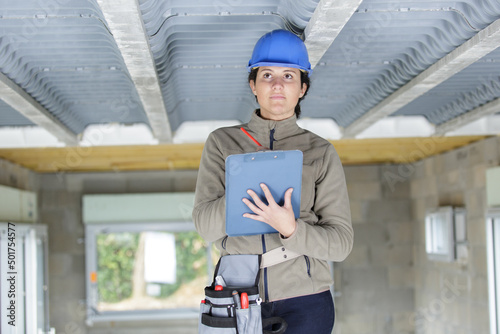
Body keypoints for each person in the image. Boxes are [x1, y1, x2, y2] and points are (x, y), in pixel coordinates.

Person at [193, 29, 353, 334]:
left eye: (289, 76)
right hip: (236, 297)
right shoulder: (221, 143)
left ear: (303, 88)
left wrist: (291, 228)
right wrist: (242, 194)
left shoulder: (320, 151)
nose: (277, 84)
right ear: (253, 85)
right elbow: (204, 226)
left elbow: (341, 244)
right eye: (267, 75)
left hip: (305, 301)